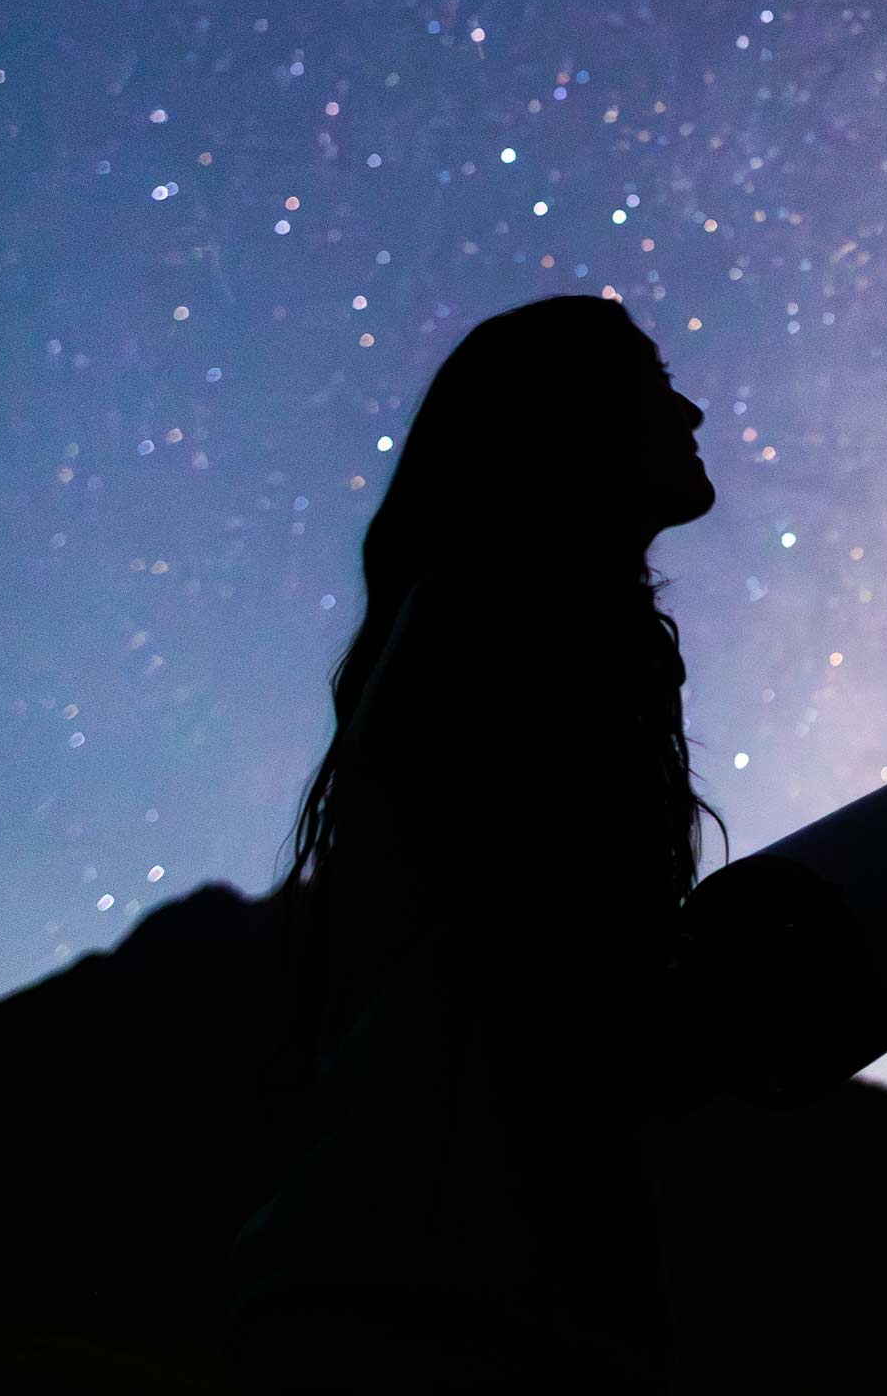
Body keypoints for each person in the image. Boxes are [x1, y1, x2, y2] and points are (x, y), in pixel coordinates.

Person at [221, 295, 727, 1392]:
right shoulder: (498, 630)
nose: (690, 407)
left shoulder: (514, 630)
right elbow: (559, 984)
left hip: (432, 1282)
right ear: (567, 422)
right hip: (432, 1304)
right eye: (652, 382)